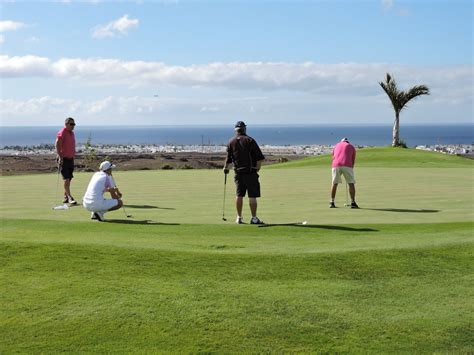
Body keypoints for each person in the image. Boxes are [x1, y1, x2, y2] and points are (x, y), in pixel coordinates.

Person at [223, 121, 265, 224]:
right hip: (250, 172)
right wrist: (257, 169)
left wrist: (226, 168)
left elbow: (228, 159)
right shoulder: (250, 140)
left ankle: (239, 218)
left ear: (236, 130)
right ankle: (254, 218)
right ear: (244, 129)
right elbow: (259, 158)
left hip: (238, 173)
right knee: (252, 196)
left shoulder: (231, 142)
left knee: (239, 195)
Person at [330, 137, 359, 208]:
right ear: (347, 142)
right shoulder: (351, 146)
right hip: (347, 165)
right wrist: (350, 168)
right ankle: (353, 202)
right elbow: (353, 159)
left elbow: (333, 156)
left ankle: (332, 202)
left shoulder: (336, 145)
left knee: (334, 183)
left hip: (335, 165)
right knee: (351, 183)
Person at [55, 117, 77, 204]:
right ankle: (70, 197)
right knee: (66, 179)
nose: (73, 126)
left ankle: (65, 196)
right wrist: (60, 157)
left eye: (74, 124)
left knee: (69, 179)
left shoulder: (71, 133)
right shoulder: (62, 132)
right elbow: (57, 144)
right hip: (63, 159)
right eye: (71, 124)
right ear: (66, 124)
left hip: (70, 159)